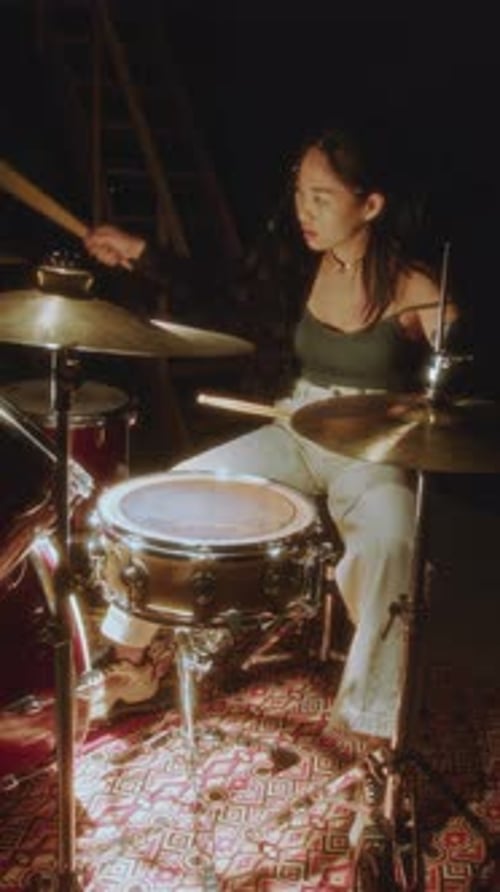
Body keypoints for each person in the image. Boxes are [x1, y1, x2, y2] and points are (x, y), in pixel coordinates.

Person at [83, 123, 458, 743]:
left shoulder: (416, 286)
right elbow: (217, 291)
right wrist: (140, 252)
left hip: (372, 447)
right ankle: (131, 662)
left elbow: (462, 384)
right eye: (300, 193)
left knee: (393, 542)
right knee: (176, 489)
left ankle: (369, 725)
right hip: (295, 425)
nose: (304, 211)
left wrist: (443, 379)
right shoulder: (296, 265)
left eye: (322, 197)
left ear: (370, 205)